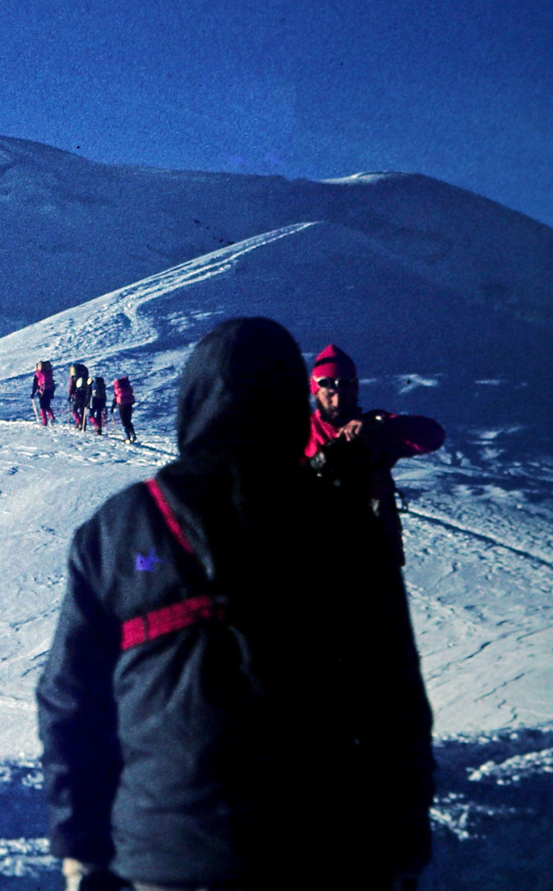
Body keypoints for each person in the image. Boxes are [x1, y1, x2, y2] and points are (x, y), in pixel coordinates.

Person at [37, 317, 433, 891]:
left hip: (163, 854)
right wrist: (401, 846)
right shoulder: (338, 523)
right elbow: (392, 697)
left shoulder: (123, 532)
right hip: (322, 849)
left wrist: (82, 849)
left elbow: (70, 699)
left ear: (192, 401)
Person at [305, 344, 445, 565]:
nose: (337, 402)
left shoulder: (375, 430)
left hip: (374, 555)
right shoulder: (300, 431)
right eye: (329, 394)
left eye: (345, 392)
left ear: (356, 389)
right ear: (316, 392)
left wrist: (381, 424)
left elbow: (433, 436)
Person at [32, 360, 57, 426]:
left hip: (42, 391)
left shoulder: (38, 374)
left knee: (42, 406)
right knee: (47, 405)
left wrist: (33, 393)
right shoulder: (49, 373)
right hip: (49, 390)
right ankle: (51, 417)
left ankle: (44, 421)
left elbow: (35, 384)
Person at [112, 376, 136, 443]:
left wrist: (113, 407)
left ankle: (127, 437)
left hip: (122, 405)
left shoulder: (117, 388)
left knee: (124, 421)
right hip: (129, 404)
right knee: (128, 420)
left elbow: (115, 398)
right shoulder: (127, 387)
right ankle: (132, 433)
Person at [68, 364, 91, 431]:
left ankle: (78, 422)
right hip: (85, 395)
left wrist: (70, 395)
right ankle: (83, 424)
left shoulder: (74, 378)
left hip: (77, 395)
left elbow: (71, 387)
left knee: (74, 410)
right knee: (82, 410)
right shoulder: (86, 377)